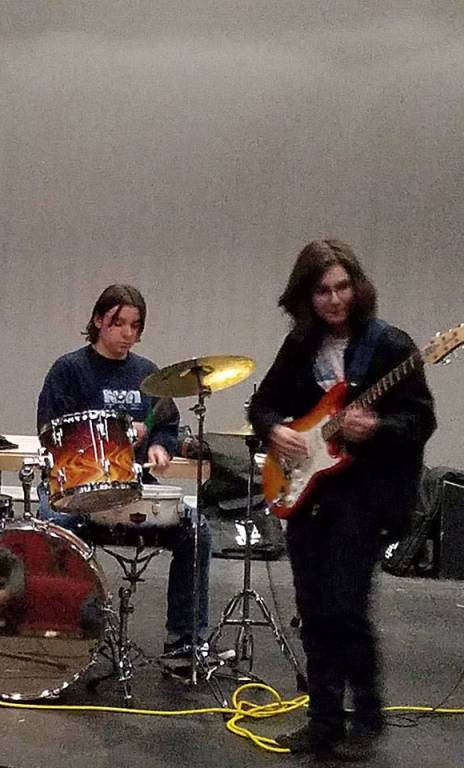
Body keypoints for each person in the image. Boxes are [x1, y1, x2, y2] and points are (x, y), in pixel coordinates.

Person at [247, 239, 435, 760]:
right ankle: (323, 720)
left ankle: (369, 717)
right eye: (323, 290)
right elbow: (263, 403)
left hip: (366, 494)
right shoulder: (301, 347)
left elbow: (421, 420)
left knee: (347, 608)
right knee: (312, 608)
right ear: (306, 297)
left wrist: (375, 426)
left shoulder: (391, 345)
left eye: (343, 287)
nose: (334, 299)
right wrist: (275, 431)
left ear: (358, 287)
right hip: (309, 491)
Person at [36, 283, 211, 663]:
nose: (127, 334)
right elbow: (52, 431)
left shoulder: (149, 375)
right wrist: (121, 434)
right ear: (98, 321)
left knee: (195, 529)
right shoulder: (69, 370)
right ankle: (64, 635)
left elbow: (167, 424)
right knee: (52, 525)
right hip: (79, 489)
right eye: (118, 324)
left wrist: (160, 444)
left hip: (134, 488)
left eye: (135, 326)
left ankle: (185, 642)